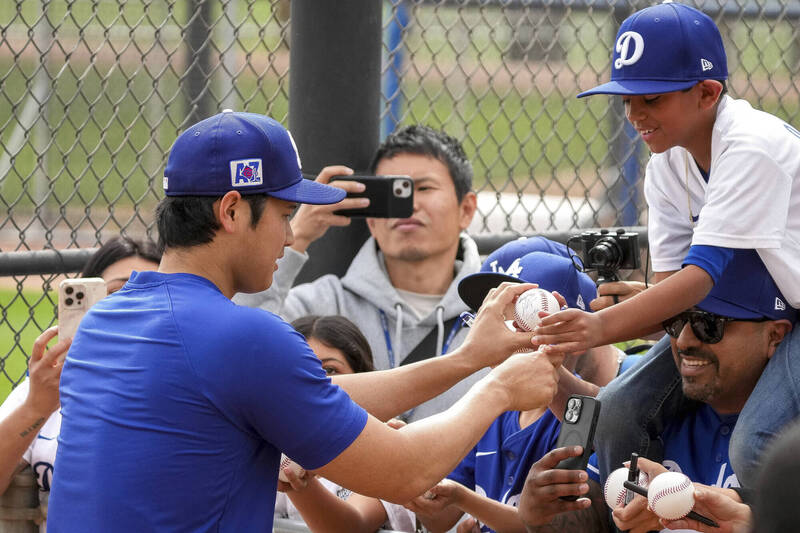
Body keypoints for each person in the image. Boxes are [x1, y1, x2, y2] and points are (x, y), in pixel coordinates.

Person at [45, 111, 562, 532]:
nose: (290, 236)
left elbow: (298, 392)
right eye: (281, 213)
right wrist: (497, 387)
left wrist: (467, 360)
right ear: (230, 210)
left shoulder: (105, 318)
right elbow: (404, 472)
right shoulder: (242, 338)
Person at [532, 2, 800, 488]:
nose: (634, 113)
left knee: (756, 443)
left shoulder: (752, 146)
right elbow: (673, 288)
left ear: (707, 92)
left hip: (789, 318)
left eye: (651, 98)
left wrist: (597, 328)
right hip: (760, 307)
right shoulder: (669, 165)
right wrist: (633, 314)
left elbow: (699, 278)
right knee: (615, 414)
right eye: (625, 100)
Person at [517, 250, 795, 532]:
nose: (684, 340)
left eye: (710, 325)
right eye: (675, 322)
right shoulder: (648, 411)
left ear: (775, 335)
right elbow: (590, 522)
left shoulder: (788, 443)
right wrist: (537, 516)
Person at [234, 124, 482, 422]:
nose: (410, 205)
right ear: (371, 219)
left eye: (425, 188)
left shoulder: (491, 311)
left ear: (466, 209)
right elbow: (238, 341)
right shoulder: (323, 306)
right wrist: (296, 233)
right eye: (394, 192)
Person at [405, 248, 606, 533]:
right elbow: (440, 519)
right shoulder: (491, 404)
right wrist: (421, 488)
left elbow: (567, 527)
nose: (496, 331)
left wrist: (464, 499)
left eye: (517, 318)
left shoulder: (579, 412)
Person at [0, 235, 160, 529]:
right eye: (115, 293)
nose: (131, 308)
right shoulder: (46, 389)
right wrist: (37, 406)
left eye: (148, 295)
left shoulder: (194, 385)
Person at [275, 314, 417, 532]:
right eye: (302, 372)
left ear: (362, 377)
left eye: (330, 370)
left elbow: (352, 527)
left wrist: (297, 485)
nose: (316, 384)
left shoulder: (387, 443)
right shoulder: (267, 444)